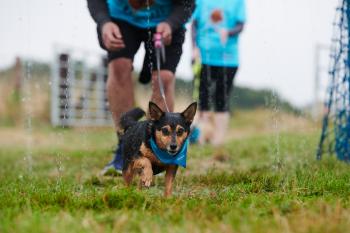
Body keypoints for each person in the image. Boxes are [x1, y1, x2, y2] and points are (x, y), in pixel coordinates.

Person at [87, 0, 195, 174]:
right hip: (120, 18)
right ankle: (125, 147)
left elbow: (188, 3)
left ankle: (158, 151)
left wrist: (171, 23)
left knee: (164, 78)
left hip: (166, 19)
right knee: (119, 67)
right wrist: (104, 22)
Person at [191, 0, 246, 145]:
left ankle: (218, 140)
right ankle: (201, 137)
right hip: (204, 56)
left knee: (222, 98)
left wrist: (228, 31)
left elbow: (241, 25)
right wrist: (194, 47)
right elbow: (195, 24)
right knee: (203, 97)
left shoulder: (238, 2)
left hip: (228, 57)